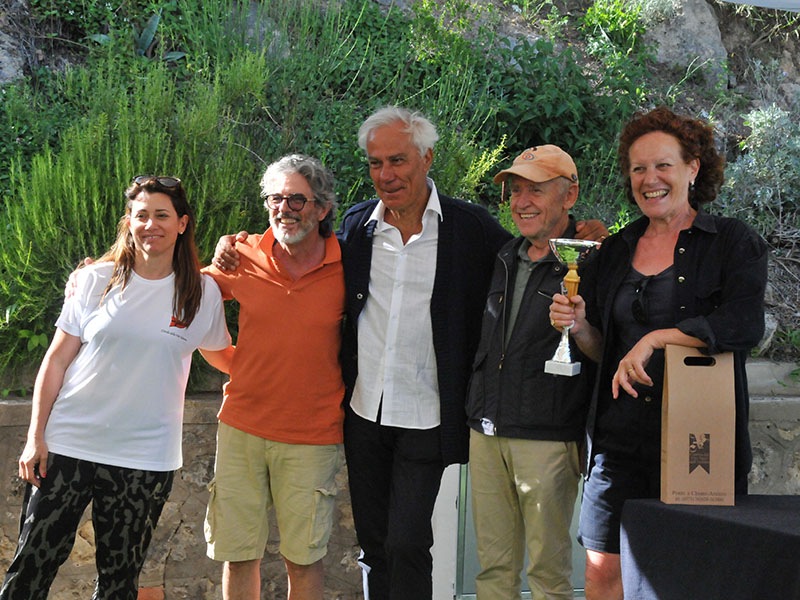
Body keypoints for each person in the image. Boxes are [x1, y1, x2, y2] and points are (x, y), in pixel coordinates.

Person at [212, 107, 606, 599]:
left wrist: (579, 236)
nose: (386, 174)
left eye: (397, 160)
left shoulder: (469, 227)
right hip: (364, 413)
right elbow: (299, 241)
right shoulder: (357, 226)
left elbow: (531, 249)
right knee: (374, 545)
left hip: (427, 415)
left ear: (427, 159)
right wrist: (234, 242)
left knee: (407, 542)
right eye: (375, 163)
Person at [549, 107, 767, 600]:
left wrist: (659, 337)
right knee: (603, 574)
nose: (650, 179)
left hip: (700, 438)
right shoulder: (615, 250)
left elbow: (743, 326)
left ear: (693, 168)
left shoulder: (732, 242)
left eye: (663, 165)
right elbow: (603, 350)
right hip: (617, 442)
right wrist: (579, 326)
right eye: (638, 168)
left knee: (689, 577)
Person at [0, 176, 232, 600]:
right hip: (68, 447)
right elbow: (56, 360)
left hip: (144, 459)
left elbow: (224, 357)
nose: (150, 225)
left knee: (119, 583)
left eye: (162, 215)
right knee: (29, 569)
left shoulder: (202, 294)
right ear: (129, 221)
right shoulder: (94, 280)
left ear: (182, 223)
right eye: (141, 215)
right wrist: (35, 438)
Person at [203, 154, 345, 600]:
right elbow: (191, 300)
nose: (284, 209)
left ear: (322, 207)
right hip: (241, 428)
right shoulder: (242, 254)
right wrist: (98, 273)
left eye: (296, 200)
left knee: (303, 559)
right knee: (238, 555)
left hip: (313, 436)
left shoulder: (349, 266)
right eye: (275, 199)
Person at [466, 145, 603, 599]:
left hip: (548, 436)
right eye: (515, 190)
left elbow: (606, 351)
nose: (521, 202)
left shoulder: (594, 260)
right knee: (493, 570)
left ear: (569, 196)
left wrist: (580, 327)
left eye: (536, 190)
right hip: (487, 430)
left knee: (548, 574)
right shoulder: (505, 254)